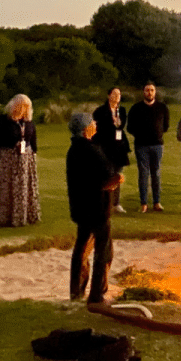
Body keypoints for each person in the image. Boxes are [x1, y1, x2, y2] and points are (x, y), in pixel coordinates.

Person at [65, 113, 123, 304]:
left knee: (82, 248)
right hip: (97, 207)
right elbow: (104, 179)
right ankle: (97, 294)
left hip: (81, 207)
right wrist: (117, 179)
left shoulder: (73, 150)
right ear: (84, 129)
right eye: (91, 122)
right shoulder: (91, 150)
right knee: (103, 251)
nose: (94, 124)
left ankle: (76, 292)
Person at [0, 94, 41, 227]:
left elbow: (33, 139)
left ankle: (22, 216)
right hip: (6, 158)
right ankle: (3, 218)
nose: (23, 110)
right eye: (20, 106)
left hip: (24, 159)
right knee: (5, 188)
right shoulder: (2, 121)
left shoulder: (28, 122)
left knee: (22, 188)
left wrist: (33, 153)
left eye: (26, 107)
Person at [126, 82, 169, 213]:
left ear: (155, 92)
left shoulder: (162, 108)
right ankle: (143, 203)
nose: (149, 92)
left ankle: (157, 202)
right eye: (147, 90)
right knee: (143, 174)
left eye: (152, 90)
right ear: (143, 92)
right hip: (141, 146)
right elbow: (130, 127)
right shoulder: (136, 108)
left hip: (157, 145)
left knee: (156, 174)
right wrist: (141, 135)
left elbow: (165, 126)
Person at [92, 87, 130, 214]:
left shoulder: (122, 110)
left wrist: (117, 123)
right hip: (105, 147)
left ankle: (116, 203)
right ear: (109, 95)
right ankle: (103, 203)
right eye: (114, 94)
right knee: (106, 175)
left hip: (119, 148)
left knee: (117, 175)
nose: (117, 96)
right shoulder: (100, 111)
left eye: (119, 94)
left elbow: (121, 126)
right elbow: (99, 129)